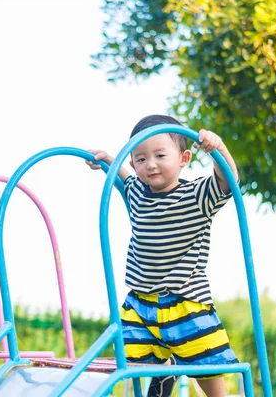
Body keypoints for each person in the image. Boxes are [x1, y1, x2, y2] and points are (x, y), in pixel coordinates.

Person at [85, 115, 240, 397]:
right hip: (140, 302)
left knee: (207, 365)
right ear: (132, 163)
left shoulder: (196, 196)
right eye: (141, 158)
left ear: (184, 158)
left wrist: (218, 149)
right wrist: (108, 159)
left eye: (159, 155)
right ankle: (164, 371)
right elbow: (122, 176)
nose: (151, 164)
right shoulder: (136, 192)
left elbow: (229, 180)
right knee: (134, 358)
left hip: (185, 301)